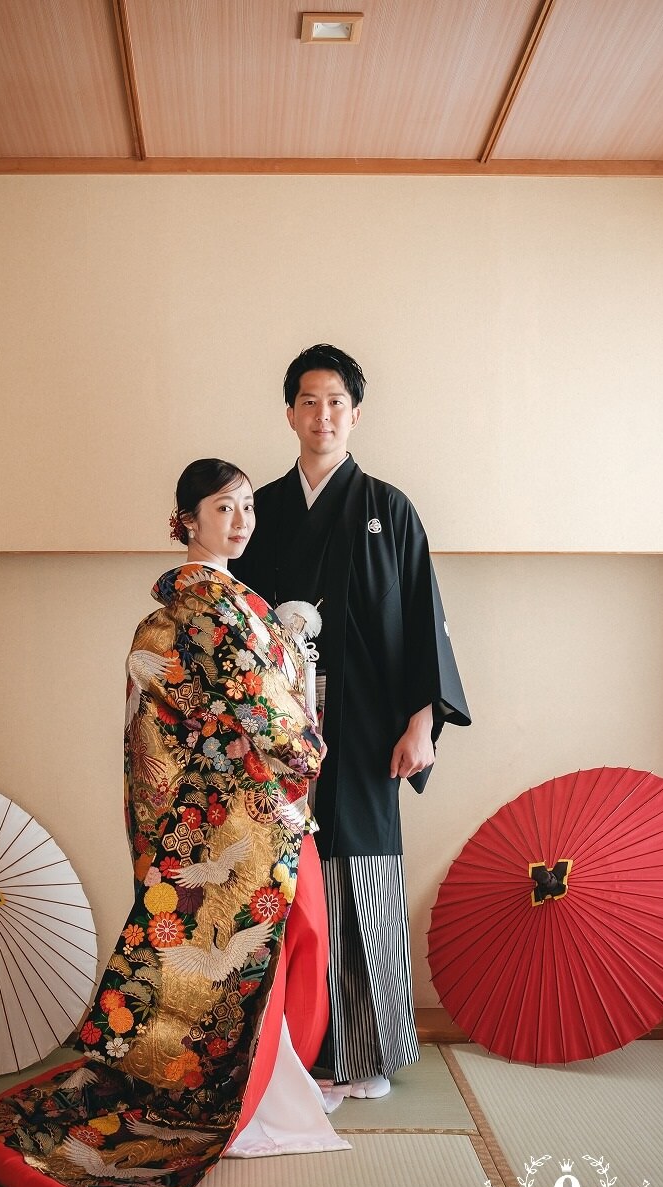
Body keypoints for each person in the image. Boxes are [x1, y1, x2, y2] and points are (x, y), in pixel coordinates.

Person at [0, 458, 343, 1187]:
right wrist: (307, 745)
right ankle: (244, 1106)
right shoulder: (208, 603)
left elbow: (156, 736)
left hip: (205, 815)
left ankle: (247, 1092)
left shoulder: (181, 608)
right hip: (243, 815)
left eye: (244, 507)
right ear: (188, 521)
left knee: (213, 967)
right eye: (221, 508)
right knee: (259, 962)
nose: (239, 521)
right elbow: (263, 710)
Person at [236, 346, 471, 1100]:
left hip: (367, 726)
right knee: (281, 880)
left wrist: (420, 723)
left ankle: (364, 1054)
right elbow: (231, 622)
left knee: (360, 874)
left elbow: (422, 625)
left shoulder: (388, 509)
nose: (322, 416)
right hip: (277, 733)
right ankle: (289, 1049)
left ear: (354, 414)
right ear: (289, 413)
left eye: (335, 402)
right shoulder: (260, 511)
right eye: (308, 401)